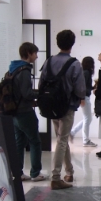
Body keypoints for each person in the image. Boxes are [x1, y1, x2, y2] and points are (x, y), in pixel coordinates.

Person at [40, 30, 85, 189]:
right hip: (67, 107)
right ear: (72, 44)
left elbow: (41, 83)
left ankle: (69, 172)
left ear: (57, 42)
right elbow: (80, 90)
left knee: (61, 138)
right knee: (62, 139)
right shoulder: (75, 64)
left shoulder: (48, 61)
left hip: (51, 105)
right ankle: (55, 177)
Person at [11, 42, 46, 182]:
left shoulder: (13, 68)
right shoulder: (24, 71)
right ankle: (35, 173)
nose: (36, 56)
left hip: (14, 111)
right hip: (25, 112)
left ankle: (18, 173)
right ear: (28, 53)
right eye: (35, 53)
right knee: (35, 141)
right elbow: (26, 93)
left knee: (19, 142)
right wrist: (41, 94)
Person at [70, 56, 97, 147]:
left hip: (84, 97)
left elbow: (85, 86)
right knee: (87, 118)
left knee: (87, 118)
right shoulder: (86, 73)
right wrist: (81, 98)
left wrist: (93, 87)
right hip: (84, 97)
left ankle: (73, 132)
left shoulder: (84, 72)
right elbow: (82, 86)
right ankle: (85, 140)